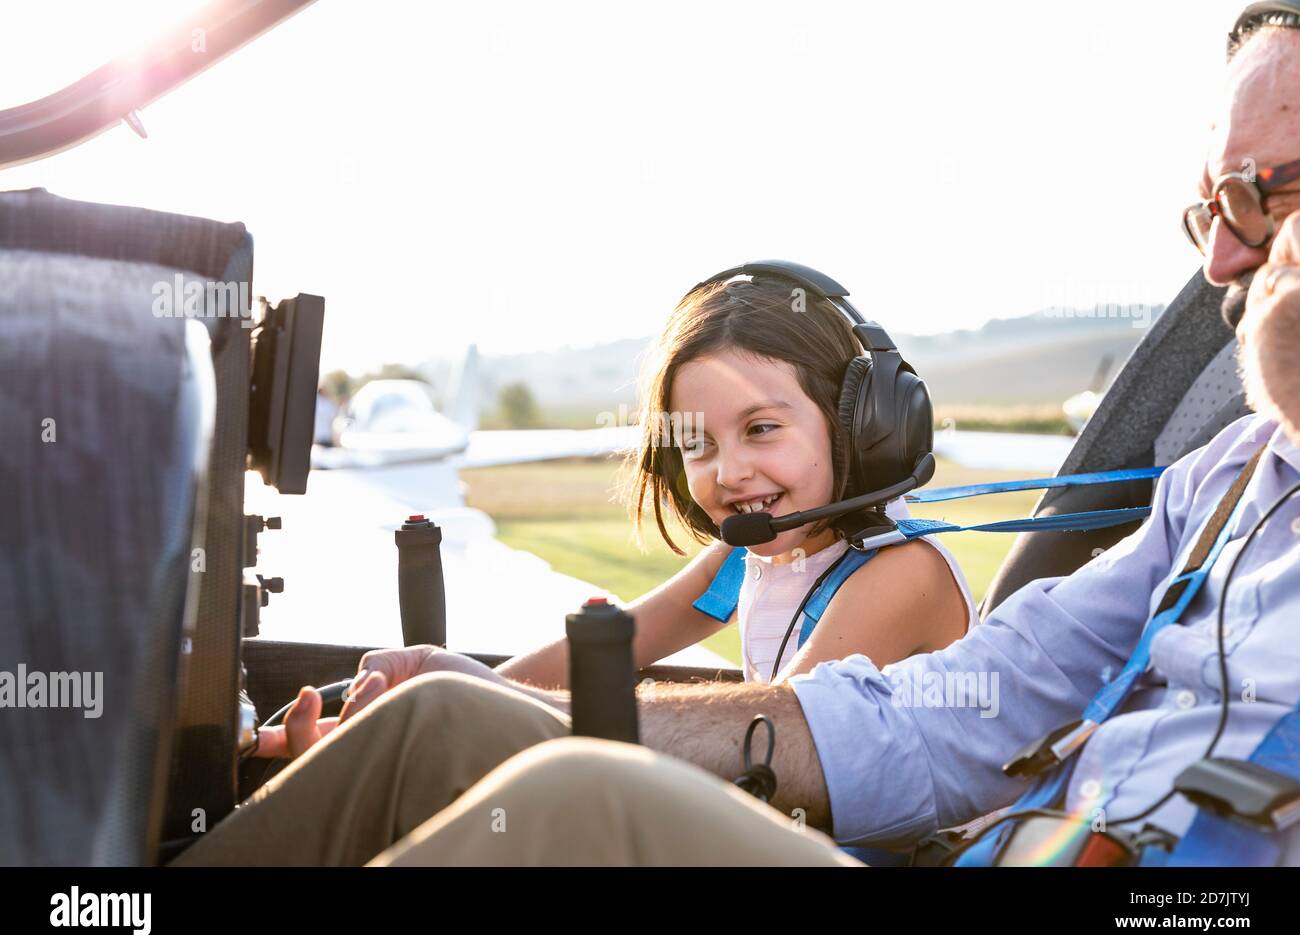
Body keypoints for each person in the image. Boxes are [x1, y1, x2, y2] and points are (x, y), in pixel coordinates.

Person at [175, 3, 1300, 866]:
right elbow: (955, 711)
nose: (1221, 263)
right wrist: (501, 698)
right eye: (1210, 208)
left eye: (1260, 199)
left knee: (571, 796)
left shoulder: (892, 573)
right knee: (438, 717)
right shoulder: (1220, 481)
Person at [494, 271, 973, 689]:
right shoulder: (740, 559)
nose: (730, 472)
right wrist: (468, 686)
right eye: (697, 443)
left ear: (858, 427)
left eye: (760, 429)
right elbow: (612, 646)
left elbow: (774, 732)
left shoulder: (901, 573)